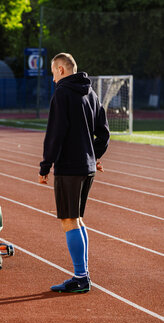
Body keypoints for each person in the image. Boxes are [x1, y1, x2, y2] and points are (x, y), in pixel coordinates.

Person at [38, 53, 110, 293]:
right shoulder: (91, 93)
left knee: (69, 220)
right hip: (87, 167)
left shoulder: (62, 93)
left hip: (69, 167)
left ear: (60, 69)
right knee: (77, 219)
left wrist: (45, 166)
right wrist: (95, 155)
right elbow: (104, 132)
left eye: (52, 72)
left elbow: (55, 134)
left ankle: (81, 277)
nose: (52, 78)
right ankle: (82, 274)